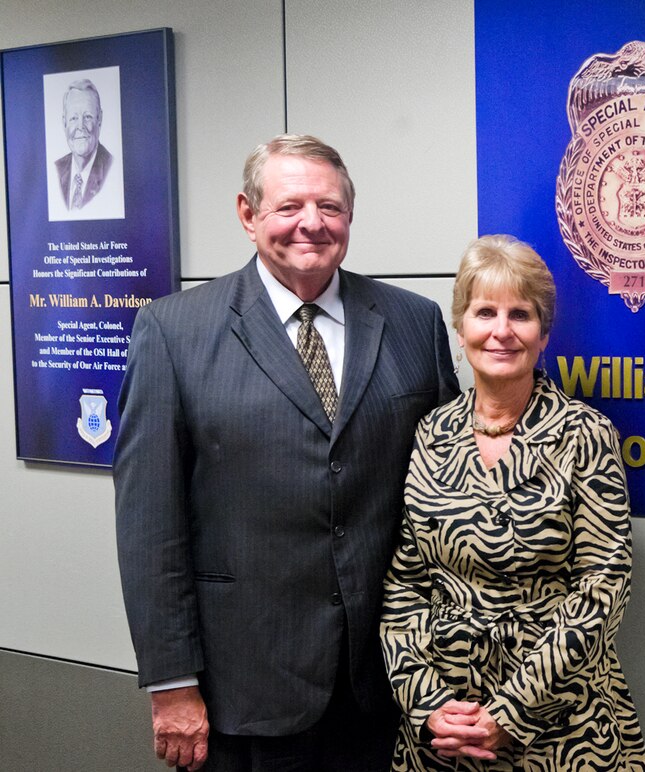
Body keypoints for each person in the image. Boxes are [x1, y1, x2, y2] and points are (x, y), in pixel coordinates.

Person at [114, 134, 459, 771]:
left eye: (330, 207)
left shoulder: (415, 322)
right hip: (242, 686)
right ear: (248, 214)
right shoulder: (174, 330)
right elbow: (148, 527)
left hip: (386, 684)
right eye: (288, 205)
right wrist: (171, 683)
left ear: (350, 217)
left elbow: (447, 500)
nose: (311, 223)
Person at [380, 234, 645, 769]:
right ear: (461, 330)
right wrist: (427, 704)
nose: (501, 331)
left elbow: (604, 586)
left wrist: (510, 714)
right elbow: (405, 583)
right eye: (485, 312)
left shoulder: (585, 433)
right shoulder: (431, 432)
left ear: (544, 333)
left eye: (520, 315)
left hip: (562, 724)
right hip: (445, 733)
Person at [55, 79, 113, 210]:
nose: (80, 127)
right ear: (64, 123)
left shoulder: (112, 169)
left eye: (87, 117)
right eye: (74, 118)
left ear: (100, 119)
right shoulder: (56, 170)